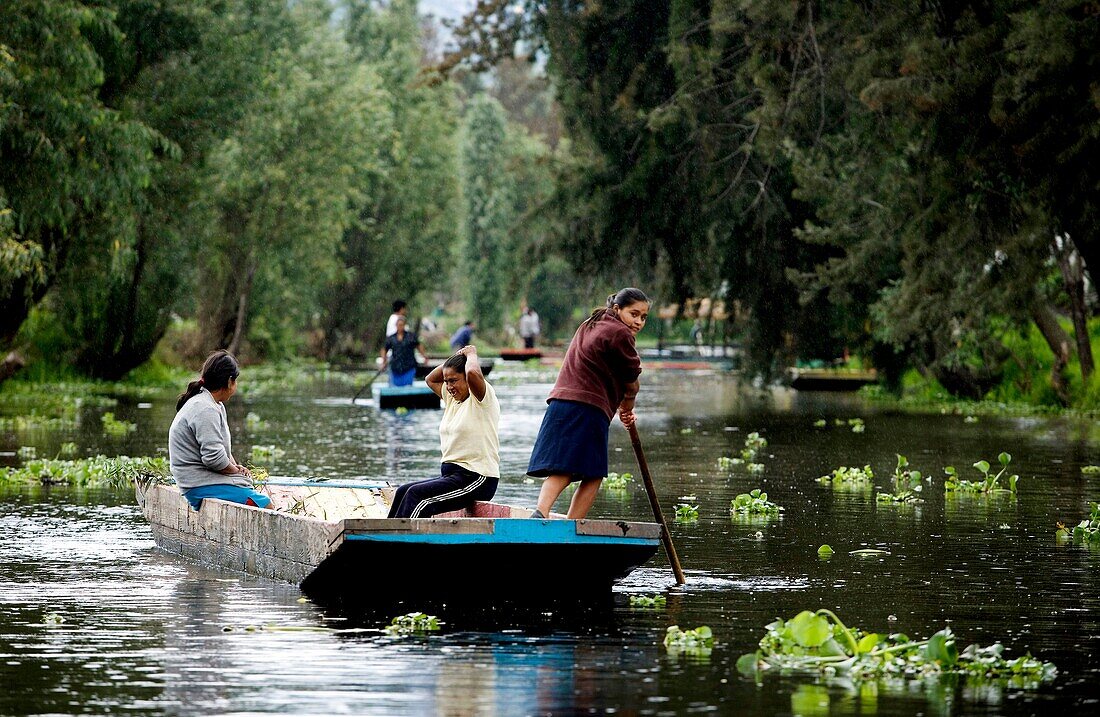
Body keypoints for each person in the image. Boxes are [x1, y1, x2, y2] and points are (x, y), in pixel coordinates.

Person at [527, 288, 649, 519]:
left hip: (560, 404)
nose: (638, 321)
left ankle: (543, 515)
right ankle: (567, 525)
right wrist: (628, 408)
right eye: (634, 314)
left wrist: (623, 406)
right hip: (587, 408)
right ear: (617, 309)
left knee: (573, 468)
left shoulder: (590, 323)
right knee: (588, 473)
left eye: (643, 317)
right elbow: (631, 382)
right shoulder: (620, 334)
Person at [387, 345, 500, 518]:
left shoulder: (481, 399)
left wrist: (471, 354)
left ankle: (398, 543)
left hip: (478, 478)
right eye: (446, 381)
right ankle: (384, 538)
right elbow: (430, 379)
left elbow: (473, 374)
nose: (448, 386)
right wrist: (455, 358)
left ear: (467, 380)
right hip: (454, 477)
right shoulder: (452, 399)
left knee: (417, 497)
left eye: (453, 380)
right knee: (403, 491)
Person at [168, 350, 270, 510]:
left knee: (246, 485)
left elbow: (220, 449)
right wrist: (235, 471)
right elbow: (214, 458)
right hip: (197, 485)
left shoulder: (214, 405)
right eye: (235, 381)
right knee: (264, 504)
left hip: (203, 480)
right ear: (229, 381)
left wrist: (236, 468)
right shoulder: (204, 408)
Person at [381, 315, 427, 386]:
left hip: (409, 365)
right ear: (396, 325)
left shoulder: (411, 336)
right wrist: (384, 361)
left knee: (408, 385)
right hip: (395, 366)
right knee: (395, 386)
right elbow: (384, 349)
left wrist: (424, 357)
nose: (400, 327)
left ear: (404, 325)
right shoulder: (391, 338)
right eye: (399, 325)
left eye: (402, 325)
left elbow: (419, 346)